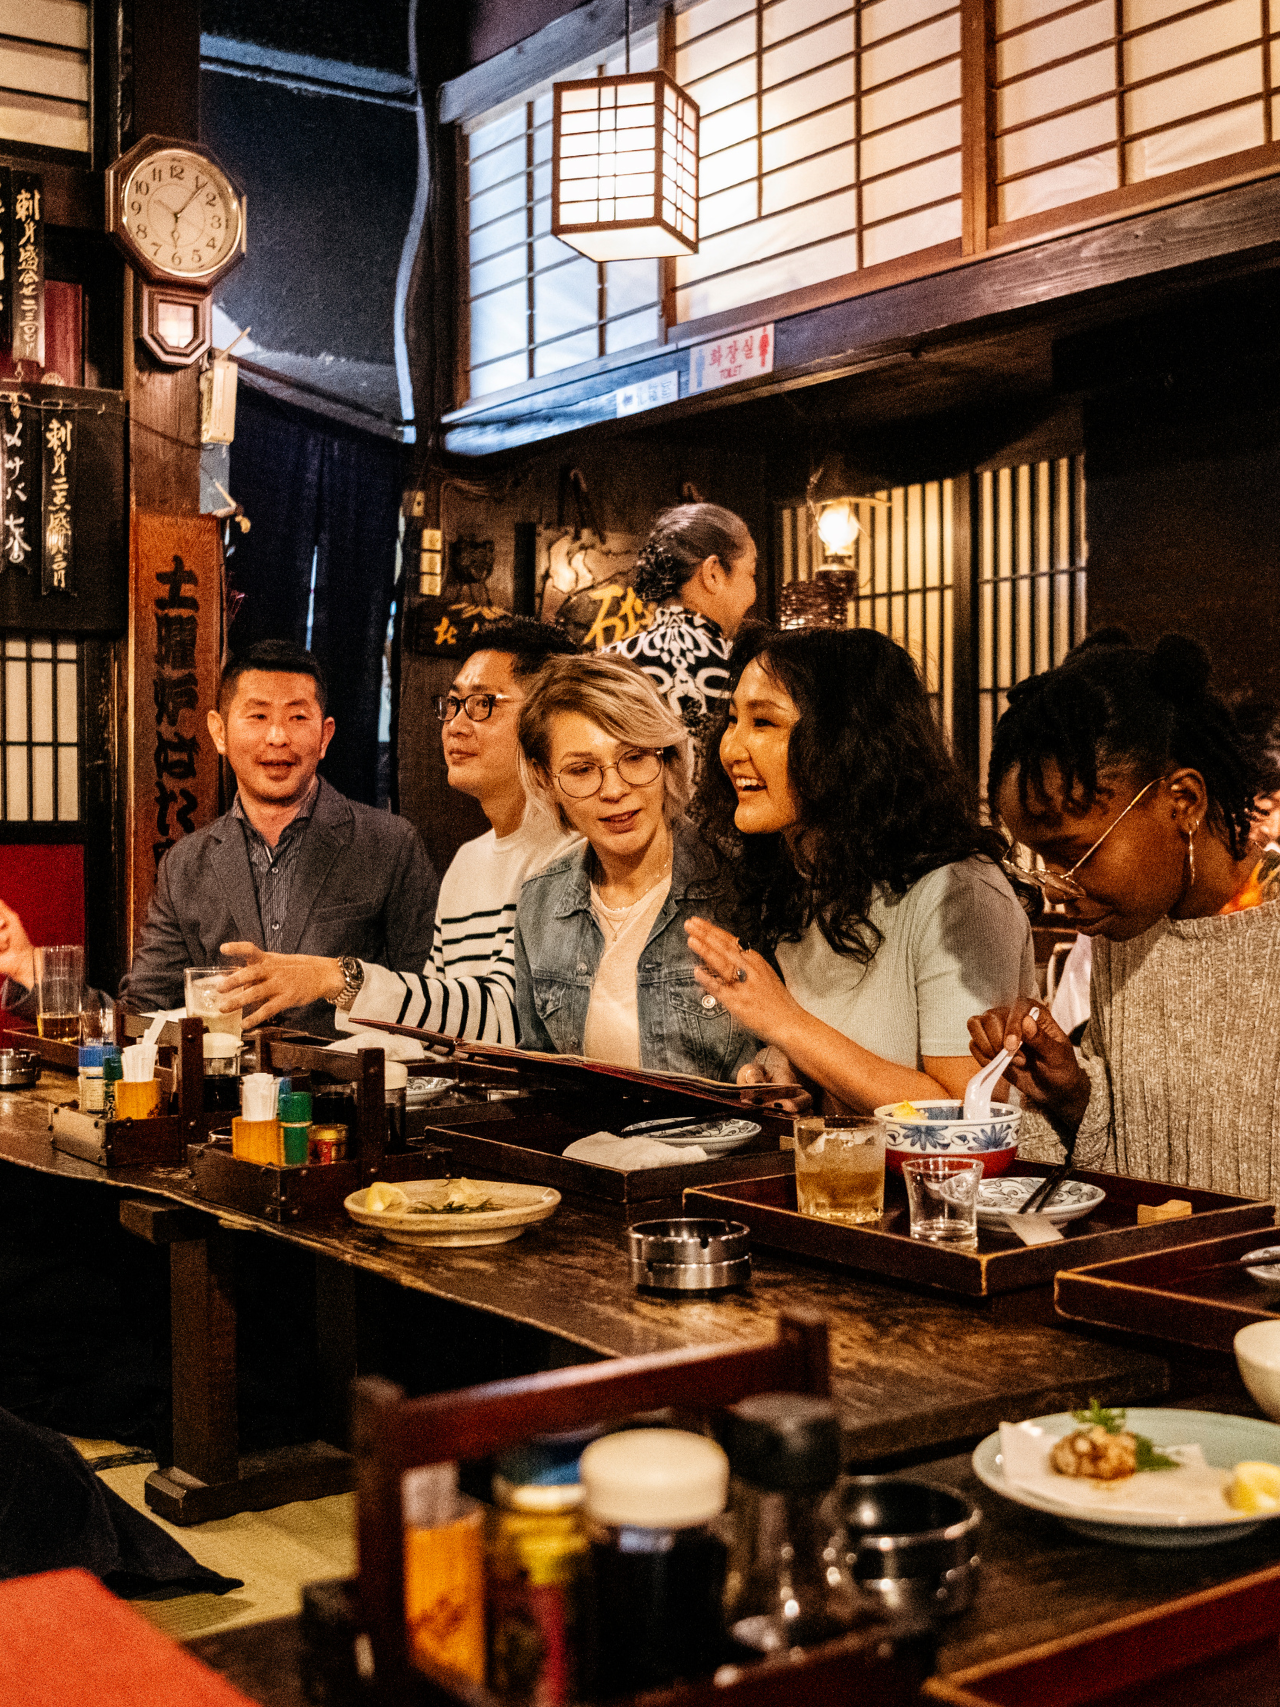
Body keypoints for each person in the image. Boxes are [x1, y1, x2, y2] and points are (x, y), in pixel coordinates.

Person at [967, 634, 1280, 1199]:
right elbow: (1134, 1170)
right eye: (1042, 865)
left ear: (1182, 801)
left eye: (1074, 855)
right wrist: (1070, 1096)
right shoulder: (1125, 930)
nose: (1059, 891)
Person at [685, 626, 1035, 1111]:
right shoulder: (797, 878)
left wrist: (785, 1024)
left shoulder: (959, 893)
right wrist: (785, 1069)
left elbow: (969, 1117)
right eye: (732, 719)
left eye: (763, 722)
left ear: (847, 741)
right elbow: (839, 1058)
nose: (731, 748)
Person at [219, 618, 583, 1043]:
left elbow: (508, 1017)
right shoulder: (468, 861)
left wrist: (337, 977)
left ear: (549, 717)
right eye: (452, 704)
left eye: (483, 704)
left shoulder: (571, 854)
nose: (456, 725)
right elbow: (430, 1022)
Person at [106, 640, 437, 1035]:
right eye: (258, 716)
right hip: (228, 1089)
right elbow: (145, 1010)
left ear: (325, 735)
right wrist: (34, 976)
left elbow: (428, 997)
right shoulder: (184, 865)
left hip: (348, 1088)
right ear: (219, 732)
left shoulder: (391, 845)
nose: (278, 737)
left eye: (297, 718)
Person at [512, 653, 757, 1078]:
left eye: (635, 758)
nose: (614, 789)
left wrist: (774, 1066)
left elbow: (789, 1047)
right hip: (589, 1144)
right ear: (544, 778)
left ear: (667, 759)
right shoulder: (540, 902)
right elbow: (541, 1073)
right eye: (582, 769)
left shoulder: (740, 884)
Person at [605, 503, 758, 750]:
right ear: (713, 573)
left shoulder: (607, 665)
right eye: (751, 573)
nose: (754, 593)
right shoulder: (753, 671)